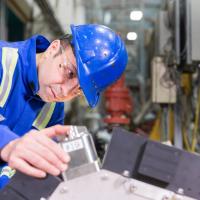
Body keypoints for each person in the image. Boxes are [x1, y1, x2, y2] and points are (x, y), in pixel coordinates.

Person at [0, 24, 128, 188]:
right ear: (53, 48)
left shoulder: (52, 108)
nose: (65, 91)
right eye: (70, 73)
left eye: (78, 90)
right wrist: (8, 143)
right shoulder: (3, 61)